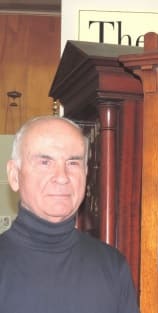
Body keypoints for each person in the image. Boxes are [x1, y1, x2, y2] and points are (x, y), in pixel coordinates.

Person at [0, 115, 139, 313]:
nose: (62, 177)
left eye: (73, 163)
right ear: (14, 176)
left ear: (86, 172)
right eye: (45, 162)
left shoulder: (112, 266)